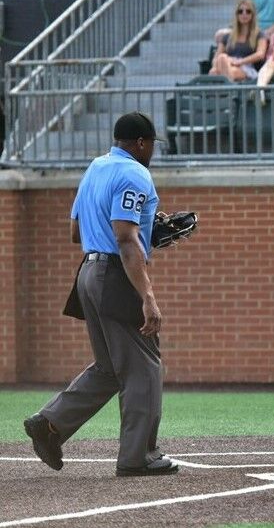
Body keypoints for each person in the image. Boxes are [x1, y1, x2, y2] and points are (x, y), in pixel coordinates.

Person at [23, 112, 179, 477]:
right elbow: (125, 238)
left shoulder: (96, 166)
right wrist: (148, 297)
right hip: (115, 274)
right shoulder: (135, 173)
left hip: (88, 274)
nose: (153, 150)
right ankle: (138, 456)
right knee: (144, 366)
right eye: (152, 144)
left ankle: (49, 424)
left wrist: (146, 234)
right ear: (140, 143)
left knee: (111, 368)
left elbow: (77, 231)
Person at [210, 0, 269, 82]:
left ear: (253, 15)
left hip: (247, 67)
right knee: (220, 61)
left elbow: (260, 54)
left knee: (221, 70)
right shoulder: (227, 36)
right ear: (236, 15)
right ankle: (229, 89)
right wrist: (215, 67)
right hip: (227, 64)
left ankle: (228, 90)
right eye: (240, 11)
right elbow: (216, 57)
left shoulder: (259, 35)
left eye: (248, 11)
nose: (244, 14)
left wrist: (239, 62)